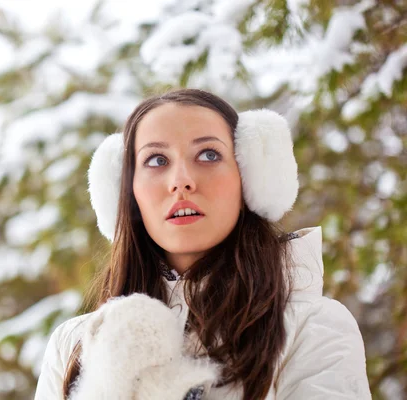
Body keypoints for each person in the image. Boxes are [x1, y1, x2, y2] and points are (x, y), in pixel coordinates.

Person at [34, 89, 371, 400]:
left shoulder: (312, 328)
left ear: (249, 181)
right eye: (156, 160)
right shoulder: (73, 346)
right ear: (127, 194)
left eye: (208, 154)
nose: (181, 180)